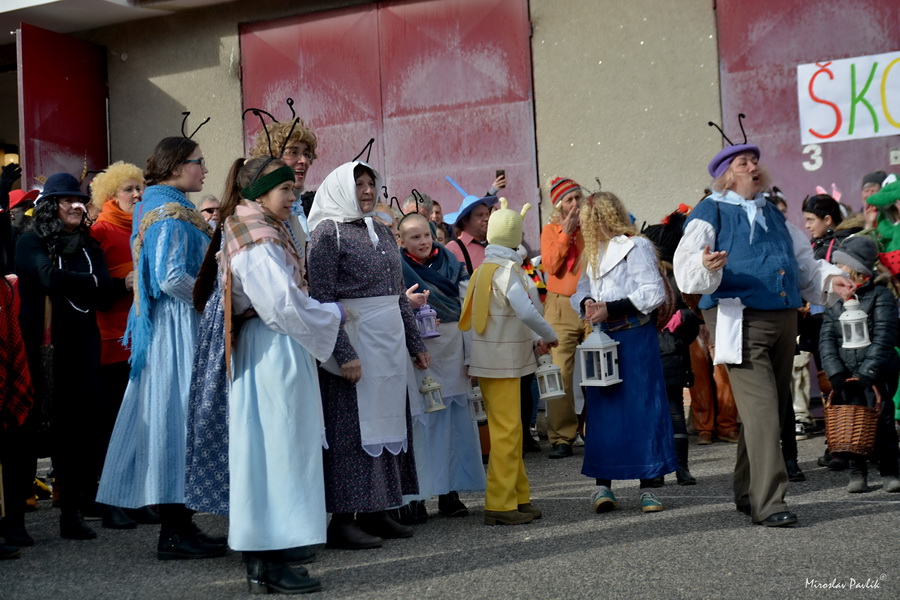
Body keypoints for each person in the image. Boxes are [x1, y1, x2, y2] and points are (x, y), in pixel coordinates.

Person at [673, 138, 852, 527]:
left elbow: (802, 262)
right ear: (726, 175)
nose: (753, 167)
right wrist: (706, 265)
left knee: (767, 410)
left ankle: (746, 491)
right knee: (765, 413)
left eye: (754, 160)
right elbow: (686, 268)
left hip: (783, 318)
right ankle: (769, 502)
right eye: (743, 162)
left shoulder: (772, 212)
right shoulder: (710, 211)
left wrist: (830, 279)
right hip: (738, 318)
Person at [223, 156, 345, 593]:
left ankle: (272, 553)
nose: (294, 197)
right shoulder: (257, 239)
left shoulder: (260, 228)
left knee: (273, 450)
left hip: (272, 346)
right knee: (277, 450)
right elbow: (281, 305)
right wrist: (333, 313)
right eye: (286, 190)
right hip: (272, 350)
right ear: (260, 193)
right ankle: (268, 560)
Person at [97, 137, 220, 559]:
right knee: (176, 420)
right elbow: (170, 277)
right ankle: (173, 531)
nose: (205, 170)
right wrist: (214, 301)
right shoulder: (167, 211)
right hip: (177, 328)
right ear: (176, 166)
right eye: (199, 162)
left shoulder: (166, 205)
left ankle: (180, 524)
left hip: (176, 325)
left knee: (179, 421)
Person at [307, 161, 428, 549]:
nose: (367, 190)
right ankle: (343, 519)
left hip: (388, 341)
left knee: (389, 422)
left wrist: (415, 343)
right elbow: (321, 298)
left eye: (370, 183)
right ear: (340, 187)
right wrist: (342, 351)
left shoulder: (380, 229)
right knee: (353, 429)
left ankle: (378, 508)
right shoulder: (327, 233)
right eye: (358, 183)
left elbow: (397, 293)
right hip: (356, 339)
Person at [14, 173, 114, 540]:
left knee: (76, 431)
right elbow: (44, 278)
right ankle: (15, 520)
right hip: (38, 348)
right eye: (67, 199)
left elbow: (106, 294)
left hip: (81, 347)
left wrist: (88, 283)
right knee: (26, 433)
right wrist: (92, 283)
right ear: (49, 206)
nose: (76, 205)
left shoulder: (89, 245)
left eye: (80, 200)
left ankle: (71, 513)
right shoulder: (30, 241)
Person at [571, 191, 677, 513]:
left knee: (643, 407)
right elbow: (581, 289)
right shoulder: (593, 251)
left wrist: (612, 308)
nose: (589, 225)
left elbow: (652, 292)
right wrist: (587, 302)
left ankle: (648, 486)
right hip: (602, 338)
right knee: (603, 410)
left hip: (634, 336)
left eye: (592, 218)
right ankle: (602, 486)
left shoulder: (636, 245)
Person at [459, 198, 557, 526]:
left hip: (492, 362)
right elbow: (526, 310)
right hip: (504, 362)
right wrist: (548, 334)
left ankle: (518, 496)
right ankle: (501, 503)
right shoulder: (507, 271)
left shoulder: (482, 270)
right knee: (507, 432)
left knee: (509, 430)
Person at [398, 213, 486, 519]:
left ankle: (451, 492)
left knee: (454, 424)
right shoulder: (398, 268)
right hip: (419, 354)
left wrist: (471, 356)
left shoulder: (452, 263)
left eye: (426, 235)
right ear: (401, 241)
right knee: (422, 425)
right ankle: (418, 496)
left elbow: (467, 309)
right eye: (414, 237)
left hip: (452, 349)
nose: (423, 241)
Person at [89, 162, 157, 530]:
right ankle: (110, 500)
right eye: (128, 189)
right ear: (111, 196)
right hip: (112, 337)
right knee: (113, 422)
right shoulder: (100, 230)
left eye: (139, 187)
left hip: (142, 336)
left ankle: (135, 497)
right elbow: (93, 286)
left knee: (140, 422)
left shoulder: (144, 227)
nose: (137, 194)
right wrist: (122, 281)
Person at [819, 235, 900, 494]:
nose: (836, 270)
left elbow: (885, 336)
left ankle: (890, 470)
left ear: (855, 268)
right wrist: (835, 371)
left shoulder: (880, 296)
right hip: (846, 373)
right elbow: (826, 340)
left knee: (883, 420)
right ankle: (857, 471)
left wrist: (870, 370)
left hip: (877, 373)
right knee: (851, 422)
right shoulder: (835, 301)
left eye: (841, 266)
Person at [644, 205, 702, 485]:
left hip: (658, 355)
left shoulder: (669, 281)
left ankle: (664, 469)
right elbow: (693, 320)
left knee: (660, 413)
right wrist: (683, 326)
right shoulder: (673, 279)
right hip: (671, 353)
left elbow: (694, 316)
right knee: (674, 411)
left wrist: (682, 319)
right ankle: (679, 468)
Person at [540, 176, 591, 459]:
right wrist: (565, 234)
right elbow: (550, 265)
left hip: (592, 304)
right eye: (569, 199)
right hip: (560, 306)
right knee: (560, 372)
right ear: (559, 205)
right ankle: (562, 437)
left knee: (600, 367)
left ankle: (598, 430)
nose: (575, 204)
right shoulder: (550, 230)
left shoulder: (592, 227)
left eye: (577, 197)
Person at [444, 178, 499, 275]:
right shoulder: (452, 249)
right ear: (465, 220)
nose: (487, 219)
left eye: (487, 214)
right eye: (480, 215)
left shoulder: (495, 245)